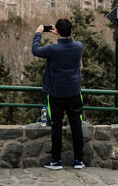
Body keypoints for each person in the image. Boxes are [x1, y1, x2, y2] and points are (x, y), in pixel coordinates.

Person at [32, 19, 85, 170]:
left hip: (56, 93)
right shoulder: (79, 47)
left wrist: (38, 33)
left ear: (58, 32)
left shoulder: (53, 50)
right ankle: (79, 160)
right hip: (74, 92)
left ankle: (56, 161)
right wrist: (61, 34)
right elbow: (69, 44)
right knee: (76, 125)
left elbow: (35, 50)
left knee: (56, 126)